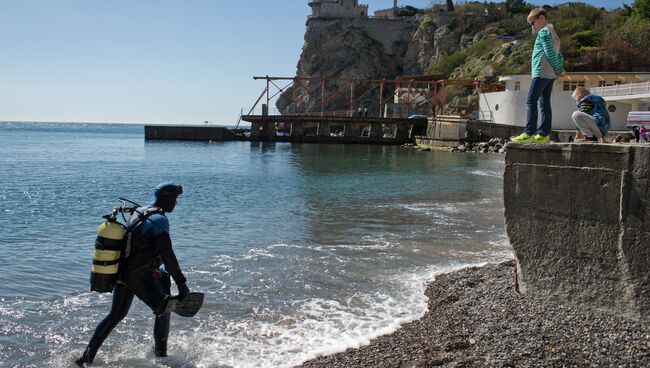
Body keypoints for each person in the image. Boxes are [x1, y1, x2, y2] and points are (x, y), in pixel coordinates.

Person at [76, 183, 189, 366]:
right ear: (168, 198)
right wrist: (182, 283)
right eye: (175, 199)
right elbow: (168, 255)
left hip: (123, 272)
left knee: (116, 314)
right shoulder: (160, 220)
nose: (176, 204)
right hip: (139, 276)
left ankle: (85, 359)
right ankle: (161, 358)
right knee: (163, 309)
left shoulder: (142, 211)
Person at [511, 7, 566, 144]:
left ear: (542, 18)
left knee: (531, 100)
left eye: (532, 23)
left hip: (541, 71)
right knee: (544, 103)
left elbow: (549, 53)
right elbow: (559, 54)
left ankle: (529, 132)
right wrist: (559, 68)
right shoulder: (554, 33)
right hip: (550, 74)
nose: (532, 26)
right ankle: (543, 134)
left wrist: (559, 68)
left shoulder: (544, 32)